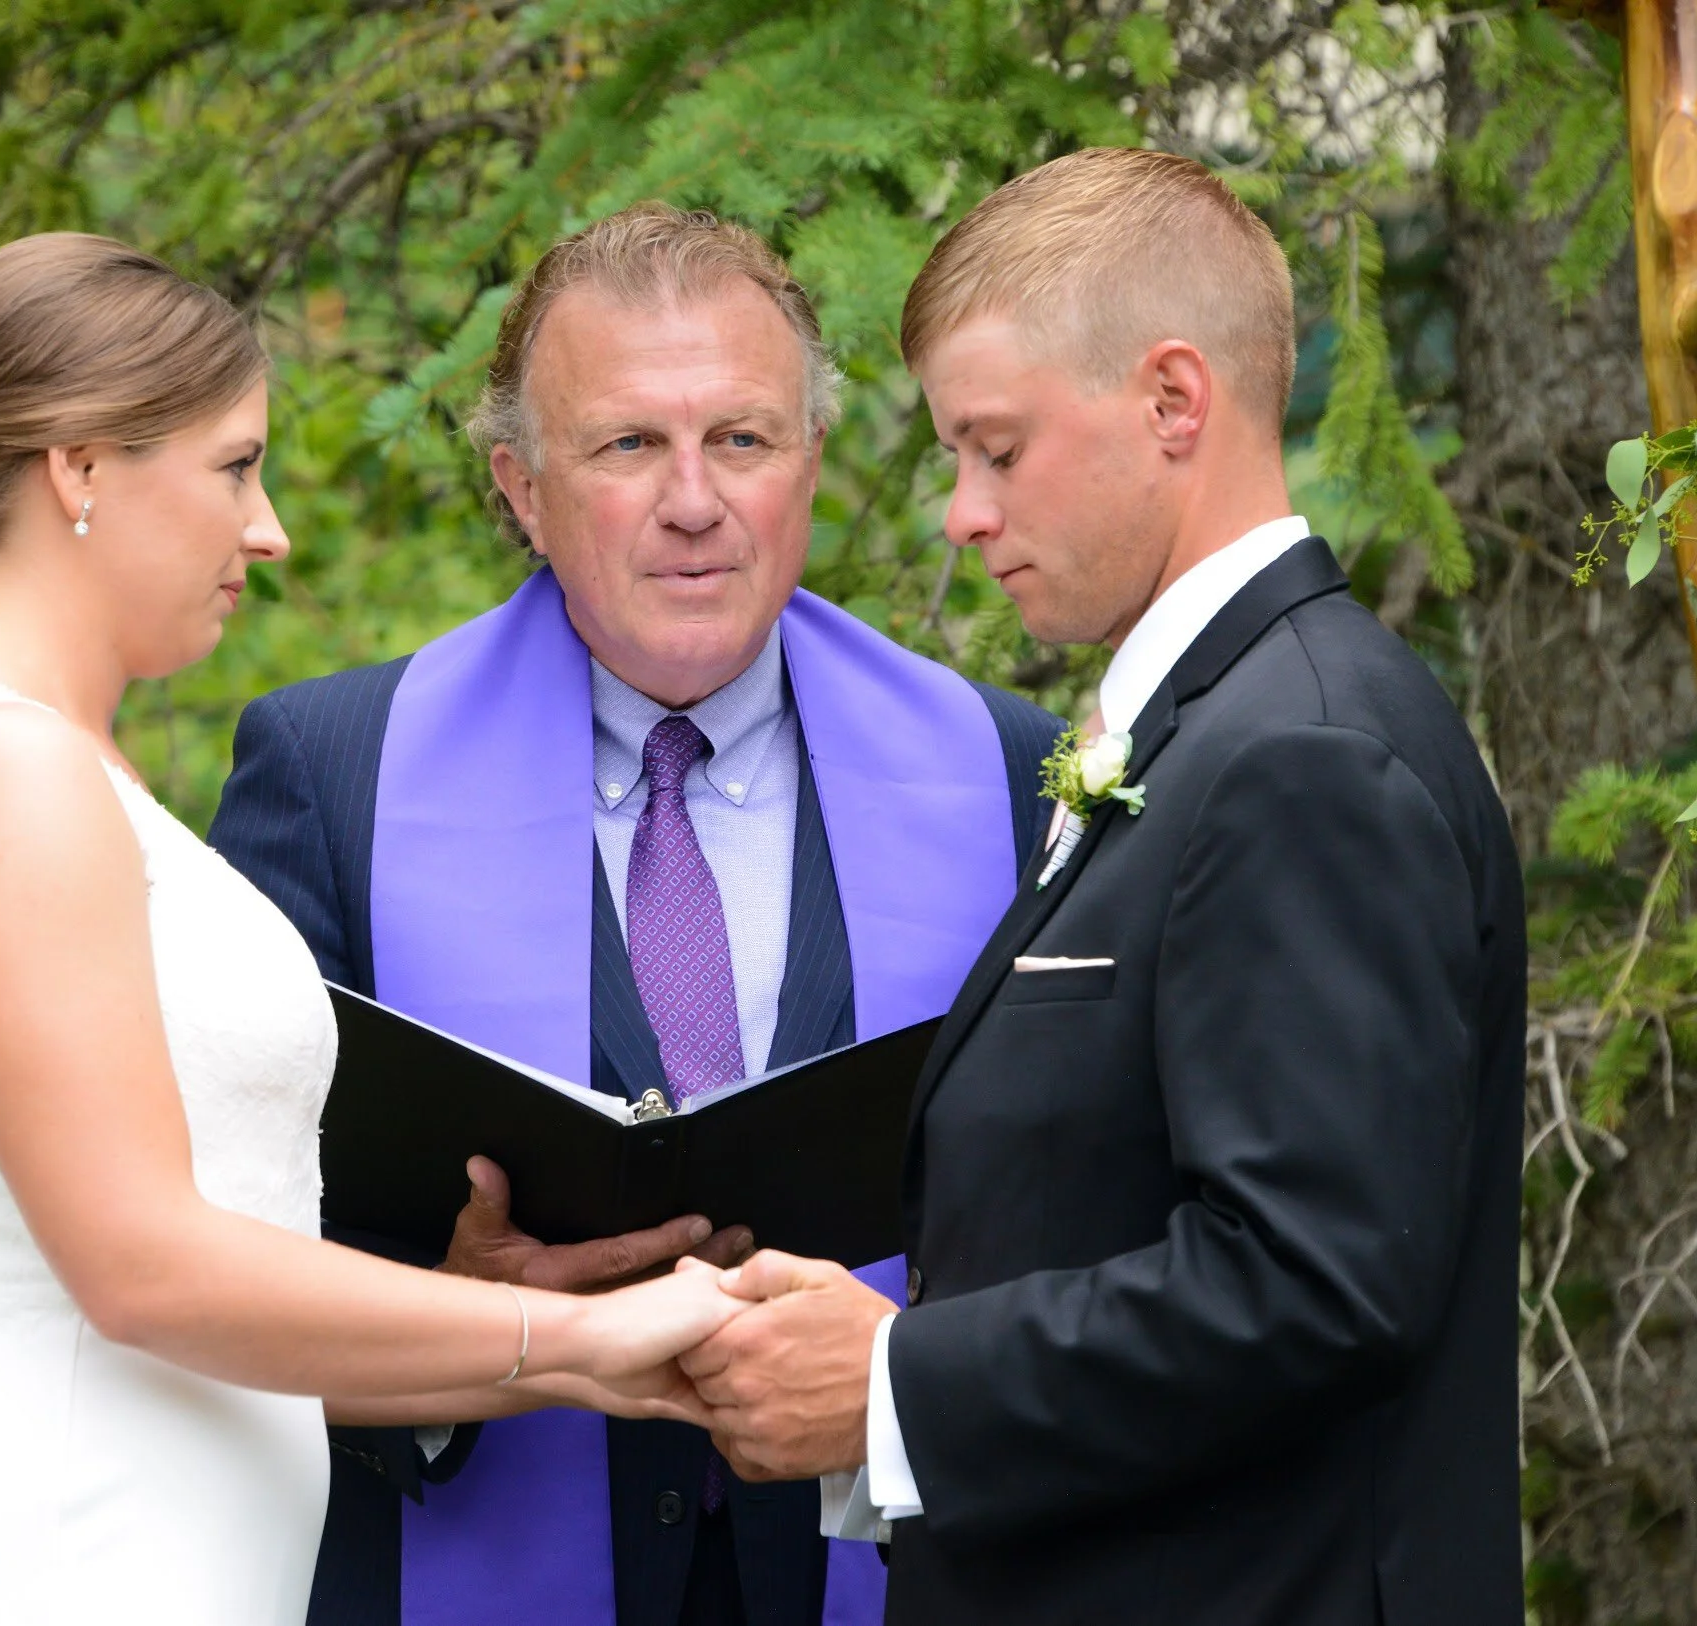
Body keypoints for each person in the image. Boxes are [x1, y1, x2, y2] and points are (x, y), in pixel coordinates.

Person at [0, 233, 751, 1626]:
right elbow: (137, 1270)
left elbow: (204, 1283)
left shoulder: (64, 771)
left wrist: (498, 1319)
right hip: (67, 1554)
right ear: (80, 468)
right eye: (235, 466)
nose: (269, 530)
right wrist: (576, 1336)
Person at [681, 148, 1526, 1624]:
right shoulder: (1221, 724)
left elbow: (1312, 1286)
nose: (960, 511)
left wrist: (892, 1379)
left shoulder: (1304, 754)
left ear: (1174, 402)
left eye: (996, 449)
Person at [209, 203, 1060, 1626]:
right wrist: (457, 1310)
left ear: (810, 465)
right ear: (522, 491)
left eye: (741, 438)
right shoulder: (333, 776)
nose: (693, 499)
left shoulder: (1004, 772)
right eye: (627, 445)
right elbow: (217, 1254)